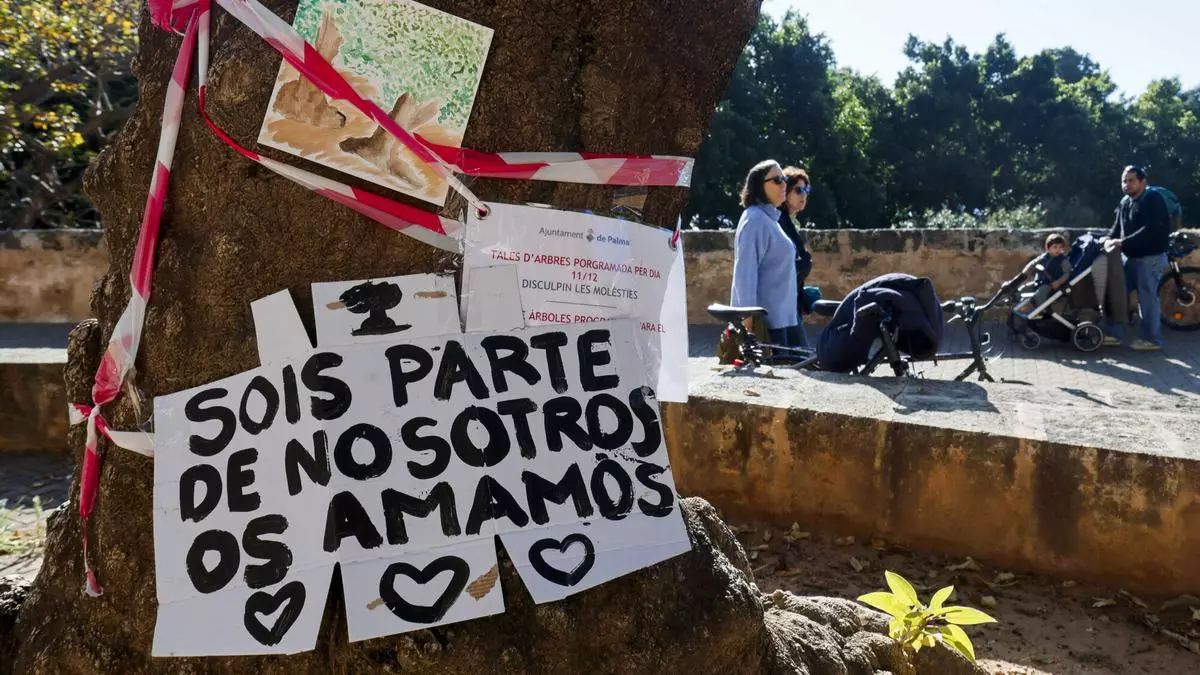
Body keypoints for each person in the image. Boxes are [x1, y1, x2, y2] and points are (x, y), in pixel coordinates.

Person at [730, 159, 802, 352]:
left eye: (785, 179)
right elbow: (745, 276)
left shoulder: (770, 220)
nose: (784, 185)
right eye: (777, 180)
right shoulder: (754, 220)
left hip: (784, 320)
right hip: (768, 326)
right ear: (759, 186)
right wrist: (748, 330)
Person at [1102, 165, 1172, 351]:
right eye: (1124, 181)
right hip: (1130, 257)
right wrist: (1108, 239)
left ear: (1143, 181)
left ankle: (1151, 339)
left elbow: (1151, 228)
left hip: (1150, 258)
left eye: (1131, 180)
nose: (1127, 184)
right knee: (1117, 292)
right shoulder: (1126, 201)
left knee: (1147, 299)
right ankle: (1114, 333)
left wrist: (1122, 242)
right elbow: (1118, 226)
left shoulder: (1153, 199)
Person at [777, 167, 816, 346]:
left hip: (792, 301)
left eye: (806, 190)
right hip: (782, 302)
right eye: (798, 190)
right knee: (801, 355)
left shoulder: (789, 221)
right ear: (785, 191)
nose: (804, 195)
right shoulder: (779, 221)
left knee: (795, 354)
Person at [1022, 233, 1072, 312]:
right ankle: (1018, 306)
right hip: (1040, 282)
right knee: (1023, 289)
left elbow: (1067, 273)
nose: (1058, 250)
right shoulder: (1044, 257)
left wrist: (1058, 282)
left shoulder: (1063, 260)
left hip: (1051, 284)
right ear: (1047, 248)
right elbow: (1032, 264)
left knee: (1041, 292)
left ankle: (1041, 310)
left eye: (1060, 247)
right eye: (1055, 247)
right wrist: (1024, 273)